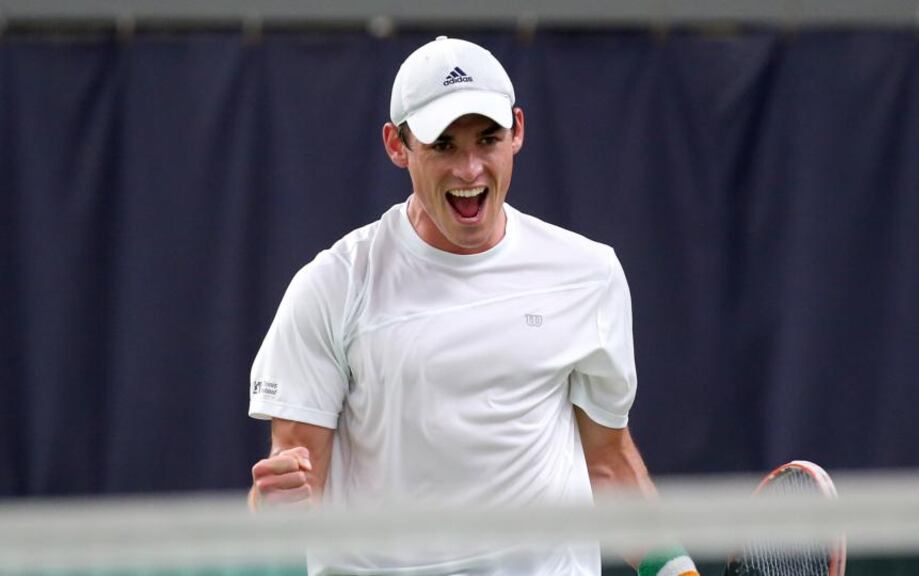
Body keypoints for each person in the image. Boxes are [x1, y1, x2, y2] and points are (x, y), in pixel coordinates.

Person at [247, 36, 697, 576]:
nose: (469, 170)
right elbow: (295, 482)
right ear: (397, 145)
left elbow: (607, 461)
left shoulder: (588, 275)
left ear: (518, 132)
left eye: (488, 139)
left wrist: (677, 569)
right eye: (443, 146)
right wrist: (273, 507)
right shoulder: (331, 287)